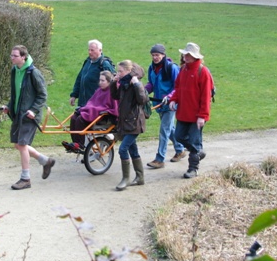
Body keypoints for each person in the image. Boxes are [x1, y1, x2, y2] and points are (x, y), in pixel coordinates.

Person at [6, 45, 55, 190]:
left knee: (21, 145)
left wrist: (33, 110)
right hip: (18, 114)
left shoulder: (33, 73)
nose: (12, 58)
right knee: (18, 144)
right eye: (11, 55)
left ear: (23, 57)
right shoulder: (15, 70)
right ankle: (45, 161)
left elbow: (42, 95)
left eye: (14, 55)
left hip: (30, 116)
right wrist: (8, 106)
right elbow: (15, 93)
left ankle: (25, 178)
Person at [169, 43, 214, 179]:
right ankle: (198, 152)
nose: (186, 56)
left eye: (189, 54)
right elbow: (178, 88)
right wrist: (173, 99)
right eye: (185, 54)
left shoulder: (203, 72)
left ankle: (193, 168)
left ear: (195, 56)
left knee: (194, 141)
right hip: (183, 113)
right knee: (179, 136)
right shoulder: (183, 70)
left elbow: (206, 96)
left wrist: (202, 116)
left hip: (196, 116)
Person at [145, 44, 186, 169]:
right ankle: (180, 150)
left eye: (157, 55)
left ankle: (159, 159)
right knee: (170, 129)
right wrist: (144, 91)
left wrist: (169, 97)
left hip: (170, 104)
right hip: (159, 104)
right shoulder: (151, 68)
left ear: (163, 55)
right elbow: (151, 84)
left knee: (164, 130)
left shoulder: (172, 68)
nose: (155, 57)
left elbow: (178, 86)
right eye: (153, 55)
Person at [110, 60, 148, 191]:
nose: (118, 73)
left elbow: (142, 99)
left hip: (134, 122)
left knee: (122, 149)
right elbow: (115, 96)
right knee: (133, 150)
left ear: (128, 71)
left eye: (120, 71)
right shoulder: (124, 83)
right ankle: (140, 177)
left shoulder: (135, 82)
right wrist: (114, 82)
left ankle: (125, 179)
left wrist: (137, 85)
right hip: (125, 121)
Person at [64, 71, 119, 152]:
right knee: (74, 117)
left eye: (103, 81)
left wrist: (90, 109)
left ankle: (80, 144)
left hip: (103, 116)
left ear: (109, 81)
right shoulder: (99, 90)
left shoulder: (111, 91)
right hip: (94, 112)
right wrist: (84, 109)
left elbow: (112, 108)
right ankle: (75, 143)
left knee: (80, 119)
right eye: (99, 80)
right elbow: (91, 103)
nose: (100, 83)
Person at [70, 39, 115, 107]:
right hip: (83, 103)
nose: (89, 52)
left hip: (95, 105)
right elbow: (80, 79)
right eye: (89, 50)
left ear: (100, 50)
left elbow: (111, 83)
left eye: (92, 50)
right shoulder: (87, 62)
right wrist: (74, 95)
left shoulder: (104, 64)